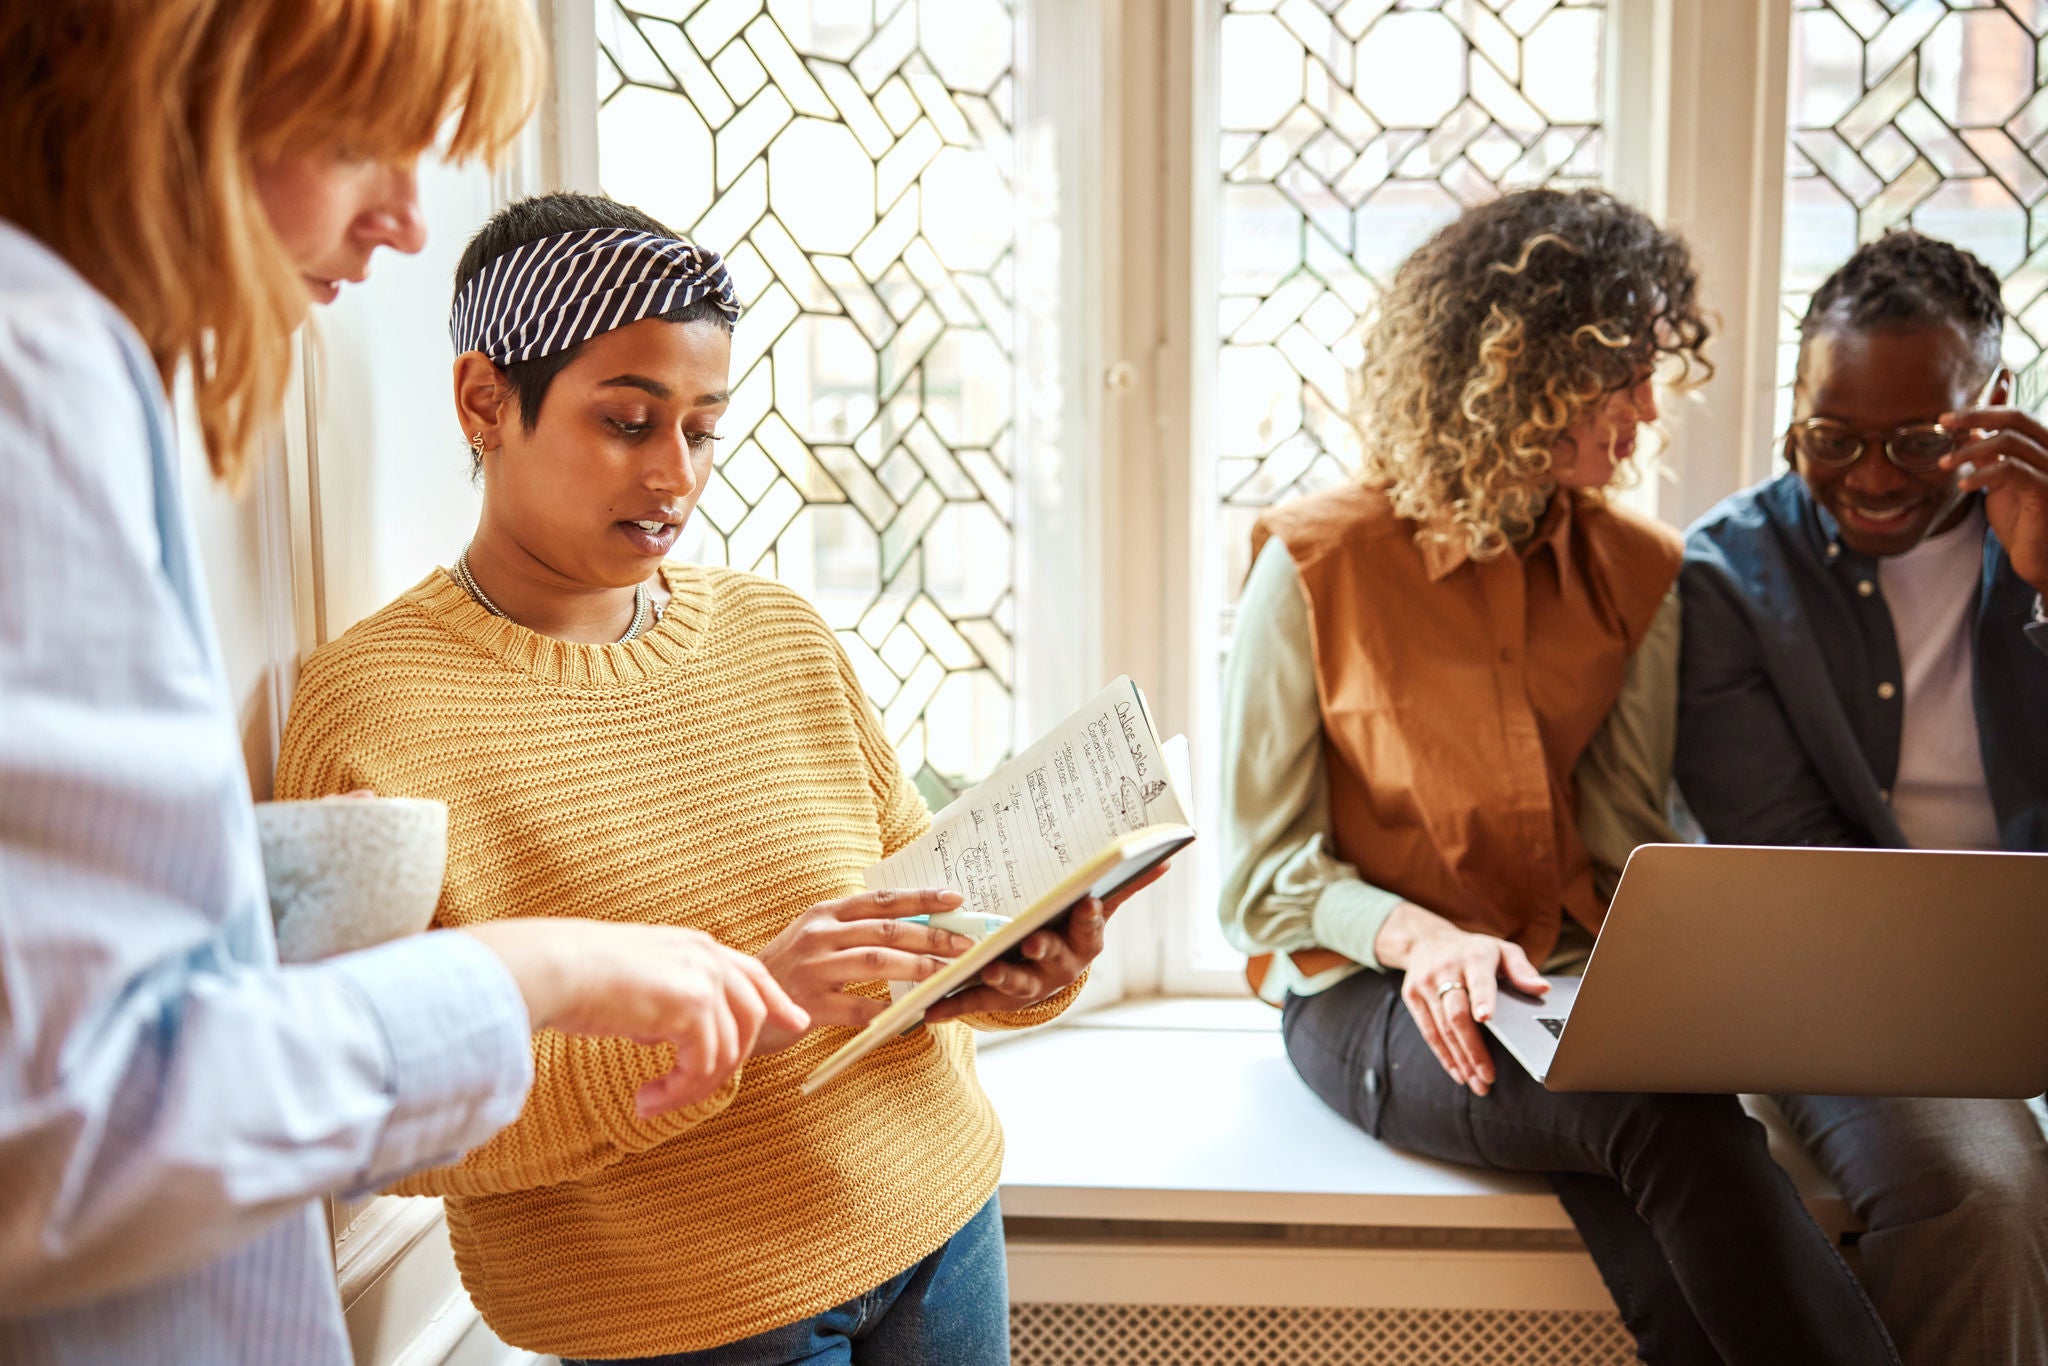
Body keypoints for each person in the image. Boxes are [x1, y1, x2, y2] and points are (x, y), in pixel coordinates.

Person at [0, 5, 805, 1362]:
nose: (405, 222)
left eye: (706, 429)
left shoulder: (774, 628)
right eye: (359, 136)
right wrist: (530, 968)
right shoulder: (42, 383)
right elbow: (83, 1116)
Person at [274, 188, 1159, 1366]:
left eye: (701, 429)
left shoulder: (776, 631)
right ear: (484, 398)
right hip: (683, 1315)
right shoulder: (375, 708)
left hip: (939, 1214)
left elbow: (909, 898)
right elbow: (395, 1116)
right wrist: (749, 1011)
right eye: (629, 421)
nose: (675, 475)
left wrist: (1014, 964)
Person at [1220, 187, 1900, 1365]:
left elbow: (1622, 846)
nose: (1646, 412)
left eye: (1652, 373)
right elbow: (1259, 878)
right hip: (1364, 1000)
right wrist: (1421, 940)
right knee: (1668, 1116)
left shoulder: (1639, 572)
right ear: (1512, 369)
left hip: (1557, 991)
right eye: (1617, 376)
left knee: (1678, 1244)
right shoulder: (1314, 566)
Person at [1677, 230, 2048, 1366]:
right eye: (1829, 437)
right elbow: (1800, 880)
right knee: (1976, 1194)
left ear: (1990, 404)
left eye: (1914, 440)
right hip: (1863, 998)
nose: (1872, 477)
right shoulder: (1726, 578)